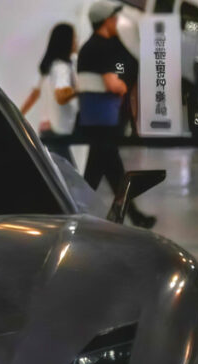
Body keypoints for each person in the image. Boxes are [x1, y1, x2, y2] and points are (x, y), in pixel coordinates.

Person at [77, 0, 156, 229]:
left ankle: (129, 214)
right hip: (101, 118)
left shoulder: (93, 46)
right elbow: (113, 84)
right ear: (104, 21)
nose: (116, 22)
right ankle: (75, 211)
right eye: (113, 18)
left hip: (99, 117)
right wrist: (122, 86)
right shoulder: (99, 47)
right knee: (102, 171)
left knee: (106, 171)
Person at [20, 23, 79, 165]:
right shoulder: (62, 68)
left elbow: (34, 95)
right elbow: (61, 96)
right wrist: (82, 89)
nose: (76, 42)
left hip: (47, 128)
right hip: (57, 130)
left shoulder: (48, 68)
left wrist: (18, 116)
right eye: (74, 38)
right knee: (67, 173)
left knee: (58, 170)